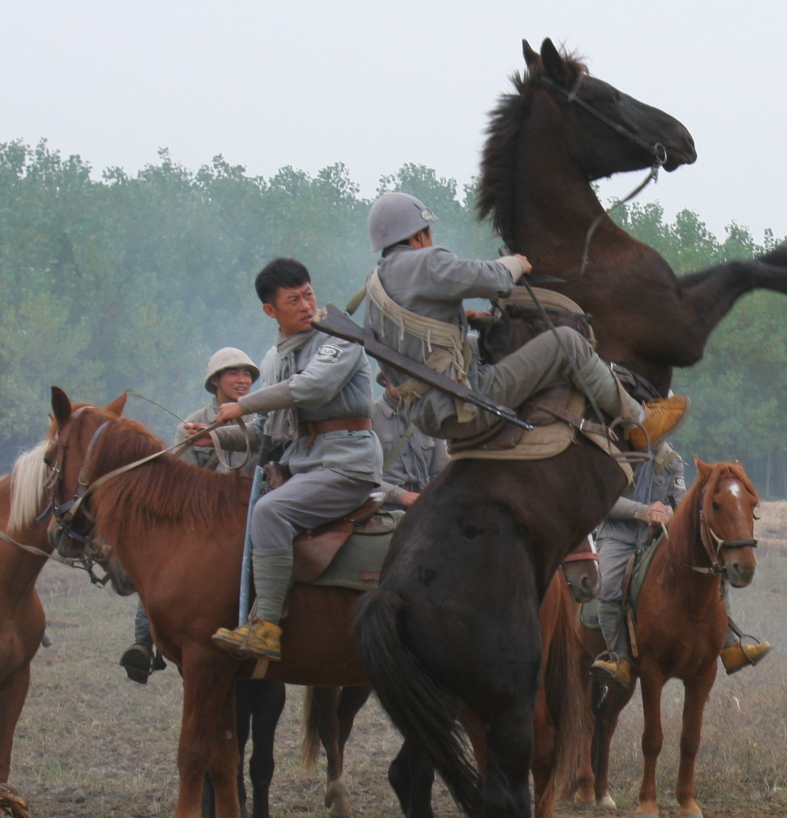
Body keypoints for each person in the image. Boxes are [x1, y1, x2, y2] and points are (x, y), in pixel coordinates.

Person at [359, 192, 685, 448]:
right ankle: (640, 421)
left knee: (481, 342)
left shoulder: (374, 289)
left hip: (427, 416)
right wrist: (514, 263)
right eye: (427, 232)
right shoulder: (425, 262)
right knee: (568, 343)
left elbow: (411, 348)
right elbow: (491, 279)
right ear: (417, 237)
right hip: (467, 403)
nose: (430, 239)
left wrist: (464, 321)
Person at [210, 259, 382, 662]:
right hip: (302, 467)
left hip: (345, 465)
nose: (306, 305)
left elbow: (312, 386)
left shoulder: (341, 338)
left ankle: (267, 625)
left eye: (308, 294)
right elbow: (266, 432)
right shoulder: (271, 359)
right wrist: (215, 434)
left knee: (269, 512)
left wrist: (243, 404)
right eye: (293, 300)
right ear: (271, 310)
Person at [119, 347, 260, 683]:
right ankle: (144, 642)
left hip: (250, 515)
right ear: (215, 381)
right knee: (163, 572)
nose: (242, 381)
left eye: (247, 375)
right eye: (233, 374)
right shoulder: (192, 425)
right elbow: (181, 482)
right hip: (203, 522)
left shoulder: (260, 421)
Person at [590, 440, 771, 691]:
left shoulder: (671, 460)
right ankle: (617, 658)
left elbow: (680, 502)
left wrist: (672, 518)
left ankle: (731, 646)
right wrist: (644, 511)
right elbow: (602, 500)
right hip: (617, 536)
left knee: (714, 571)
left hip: (657, 534)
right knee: (610, 585)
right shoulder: (613, 453)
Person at [371, 377, 447, 510]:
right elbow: (359, 478)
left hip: (425, 504)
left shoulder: (428, 418)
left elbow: (441, 472)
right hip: (383, 507)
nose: (405, 384)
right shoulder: (369, 418)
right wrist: (400, 496)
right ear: (385, 380)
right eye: (398, 376)